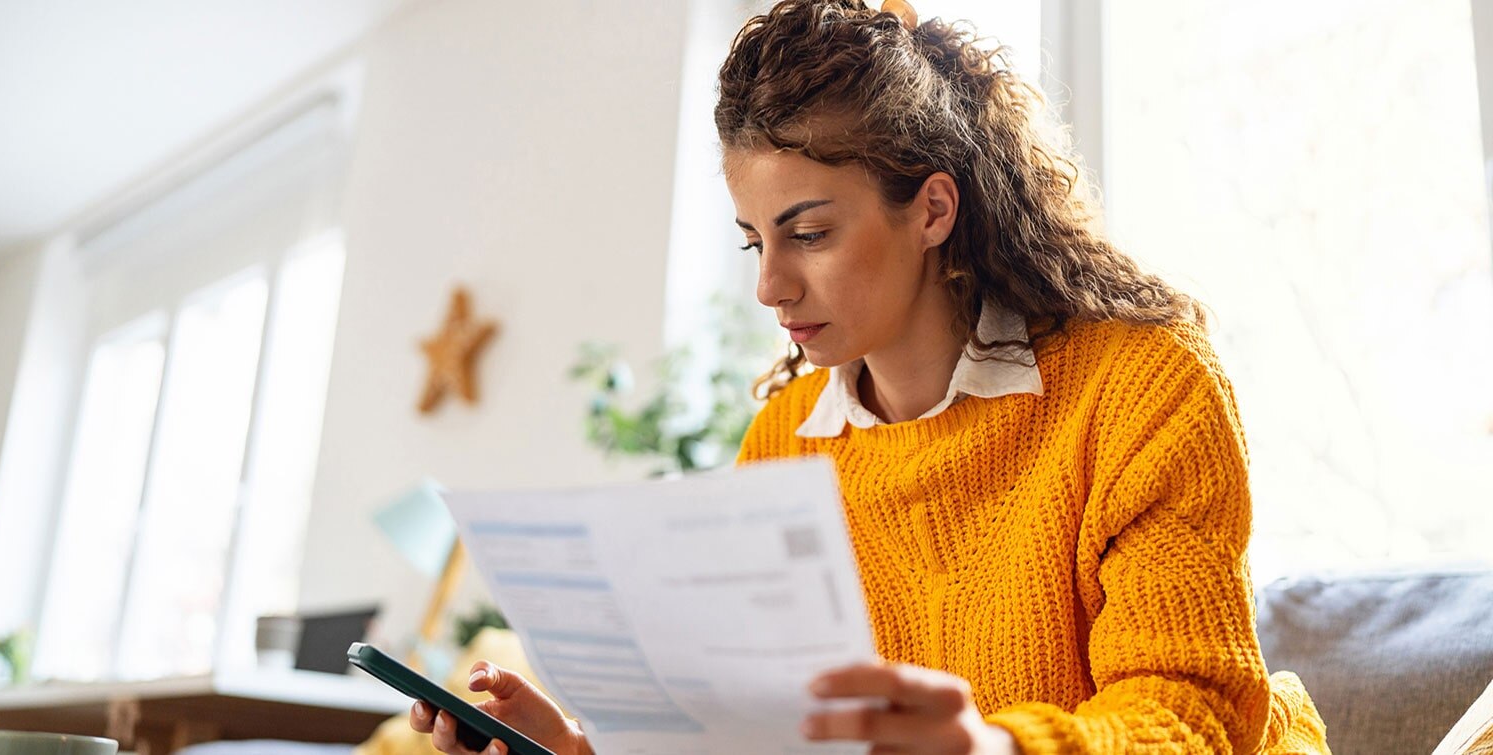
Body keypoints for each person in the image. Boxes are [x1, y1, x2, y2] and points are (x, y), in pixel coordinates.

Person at [410, 0, 1331, 752]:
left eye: (808, 233)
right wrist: (573, 751)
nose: (769, 285)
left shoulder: (1142, 387)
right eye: (755, 241)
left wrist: (996, 748)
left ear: (932, 208)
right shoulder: (783, 440)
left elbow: (1196, 712)